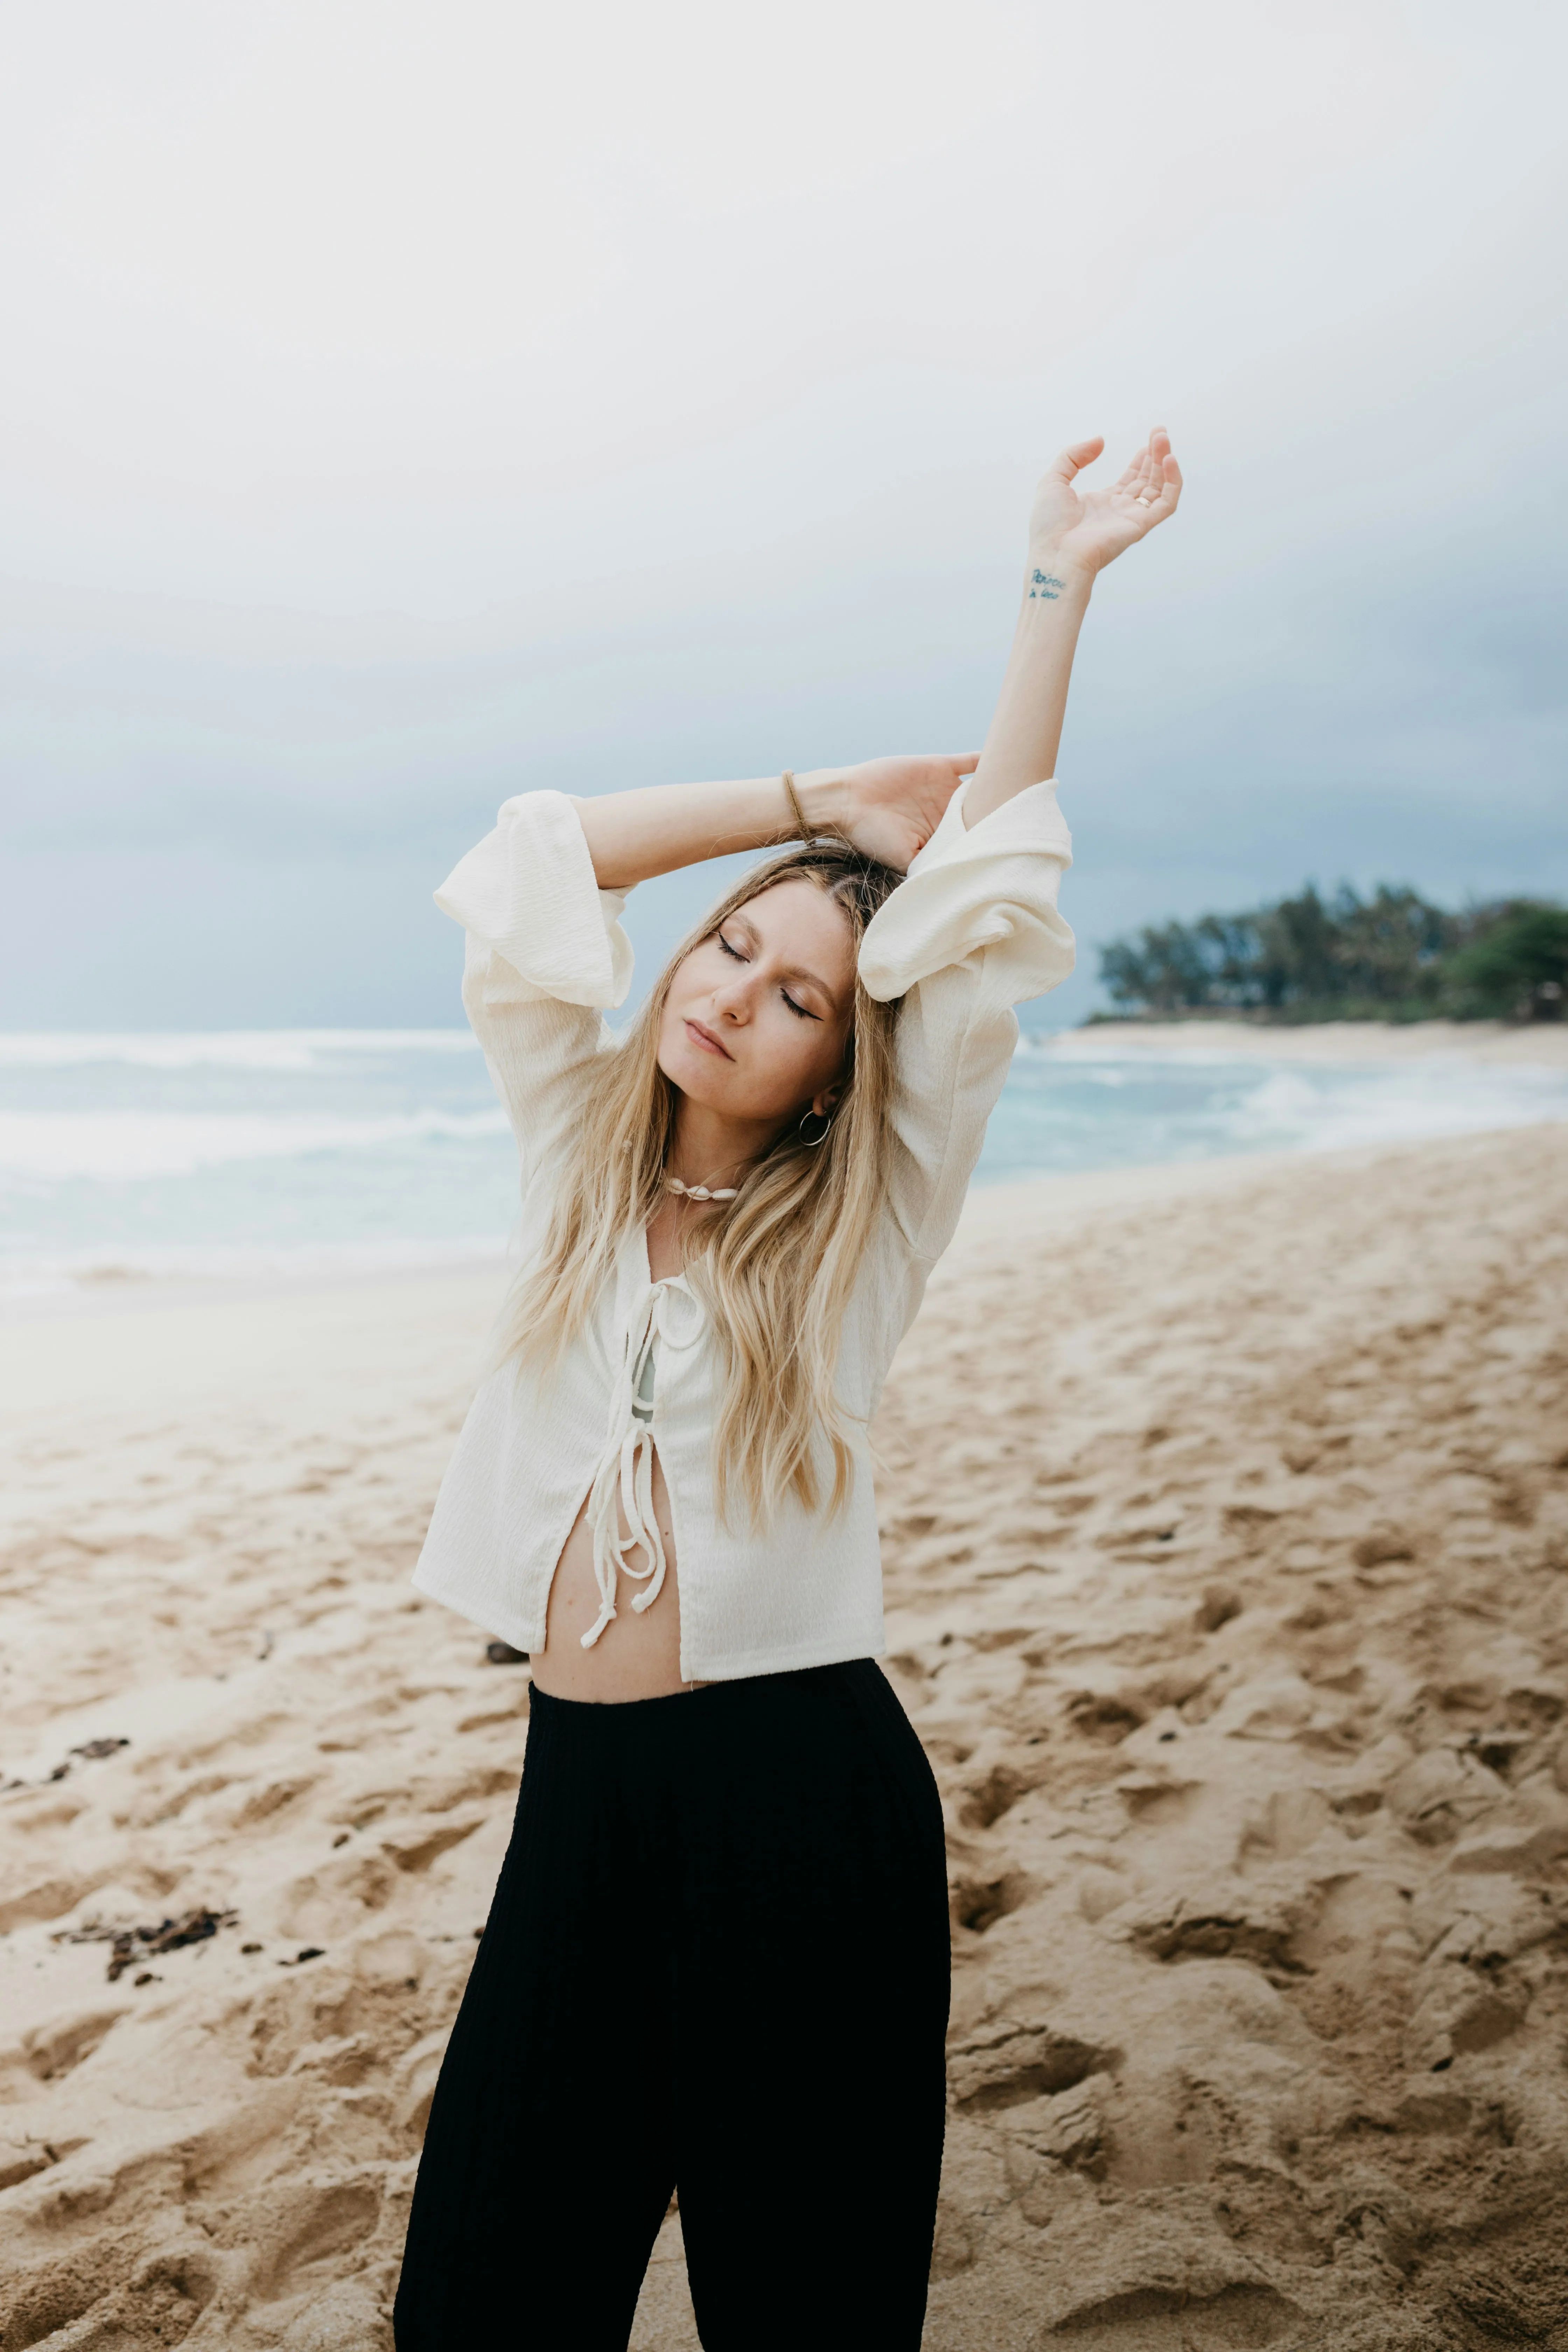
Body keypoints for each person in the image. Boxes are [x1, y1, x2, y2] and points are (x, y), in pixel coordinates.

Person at [392, 429, 1182, 2351]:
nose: (736, 991)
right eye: (734, 944)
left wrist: (1055, 581)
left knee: (805, 2318)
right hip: (572, 1807)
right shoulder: (571, 1151)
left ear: (843, 1070)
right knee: (483, 2304)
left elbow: (987, 887)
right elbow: (534, 862)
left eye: (801, 995)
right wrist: (808, 799)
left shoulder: (870, 1225)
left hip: (799, 1813)